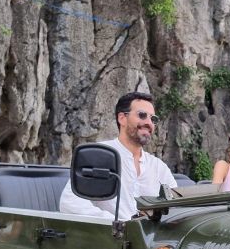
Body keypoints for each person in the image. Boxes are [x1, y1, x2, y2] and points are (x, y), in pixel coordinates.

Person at [59, 91, 177, 219]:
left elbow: (176, 207)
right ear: (122, 118)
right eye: (142, 115)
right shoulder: (100, 155)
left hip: (149, 238)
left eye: (153, 118)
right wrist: (119, 224)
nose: (149, 123)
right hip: (110, 236)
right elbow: (70, 204)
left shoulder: (159, 167)